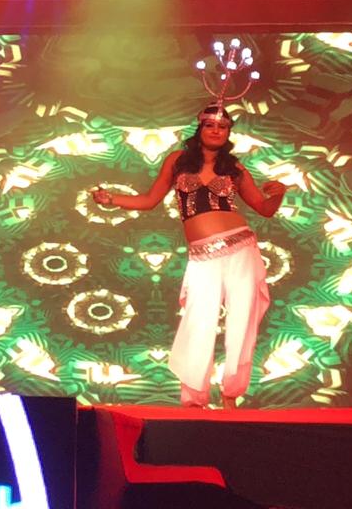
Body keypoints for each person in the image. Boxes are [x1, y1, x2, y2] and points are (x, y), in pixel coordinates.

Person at [93, 104, 288, 408]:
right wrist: (111, 199)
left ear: (228, 133)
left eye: (222, 127)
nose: (216, 131)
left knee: (242, 319)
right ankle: (195, 398)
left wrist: (278, 194)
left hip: (241, 247)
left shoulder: (234, 168)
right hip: (203, 255)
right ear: (200, 128)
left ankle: (231, 394)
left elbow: (264, 208)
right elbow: (149, 200)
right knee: (199, 322)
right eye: (210, 125)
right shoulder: (178, 161)